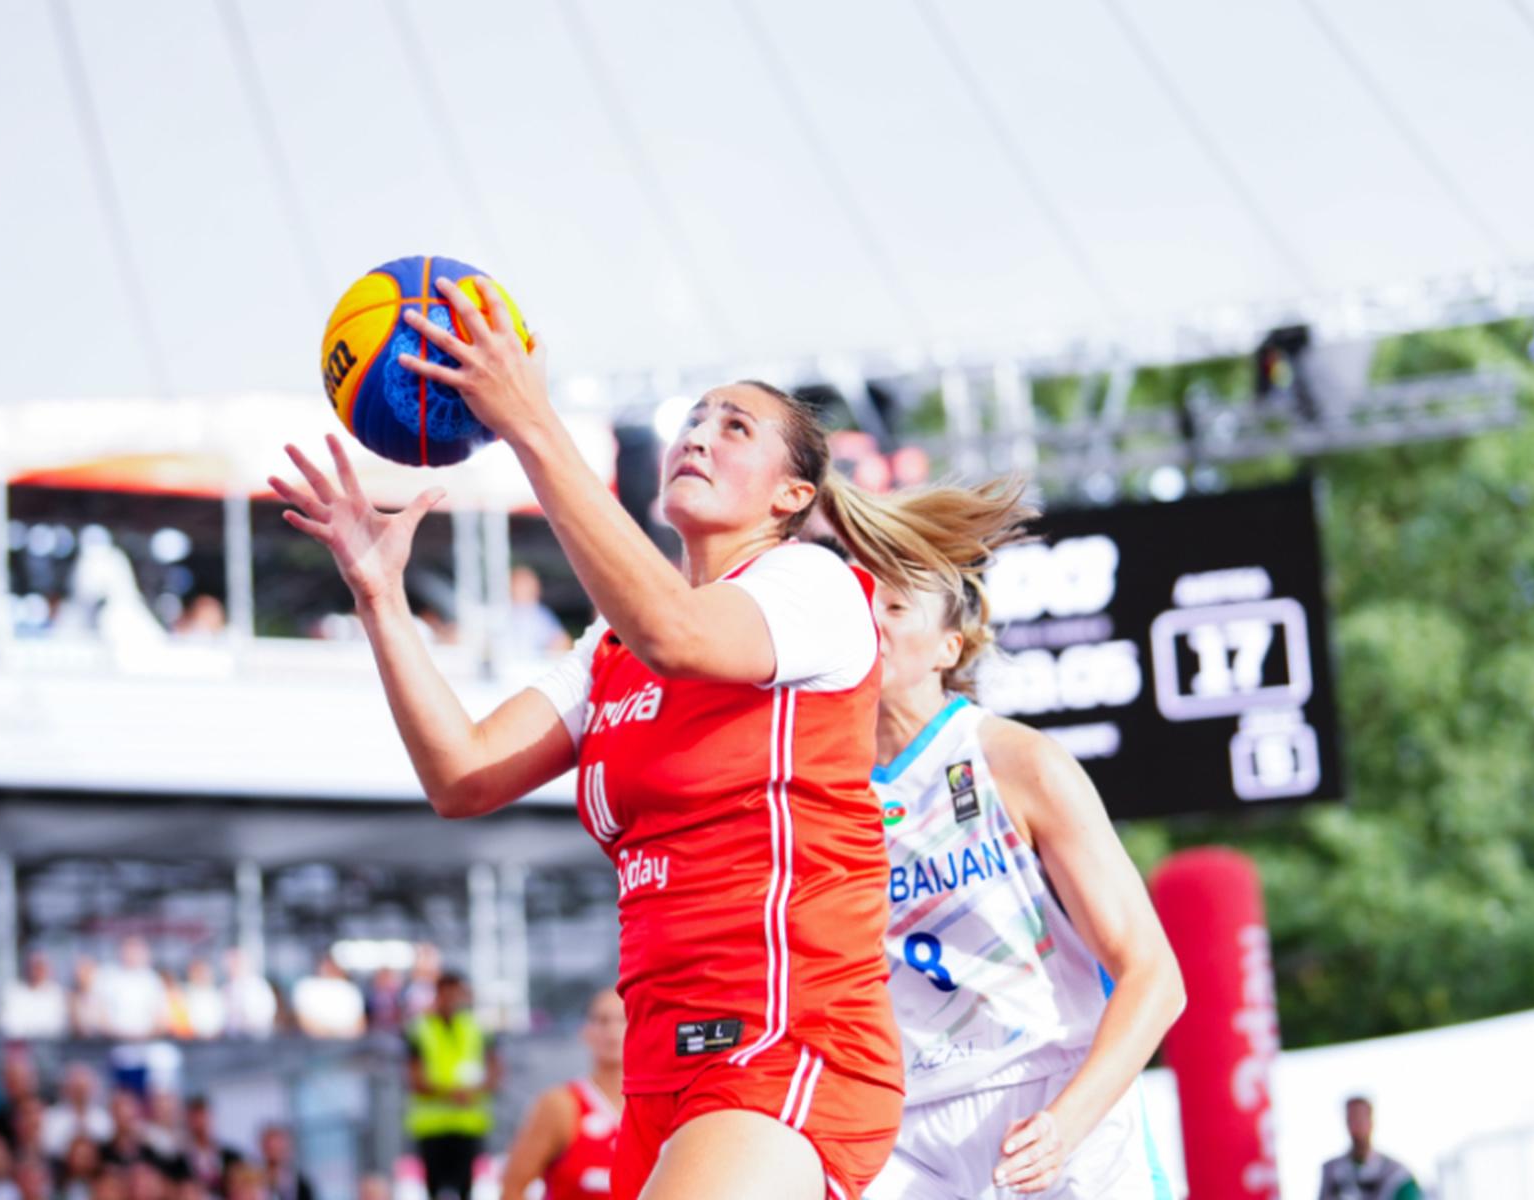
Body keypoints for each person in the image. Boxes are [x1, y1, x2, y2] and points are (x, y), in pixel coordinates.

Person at [270, 280, 1022, 1200]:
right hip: (662, 1073)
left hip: (790, 1040)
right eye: (693, 420)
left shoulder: (813, 587)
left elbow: (680, 633)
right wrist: (381, 597)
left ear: (792, 494)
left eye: (734, 427)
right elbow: (462, 774)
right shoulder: (611, 647)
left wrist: (529, 421)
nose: (698, 435)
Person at [863, 551, 1186, 1198]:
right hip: (904, 1130)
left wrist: (1066, 1125)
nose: (872, 622)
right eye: (860, 606)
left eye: (895, 608)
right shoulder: (814, 791)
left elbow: (1156, 977)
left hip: (1049, 1095)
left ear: (949, 647)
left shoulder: (1018, 761)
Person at [499, 986, 625, 1200]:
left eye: (624, 1020)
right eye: (602, 1021)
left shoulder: (660, 1108)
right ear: (585, 1031)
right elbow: (512, 1188)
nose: (613, 1031)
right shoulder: (560, 1105)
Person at [405, 971, 499, 1200]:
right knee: (435, 1187)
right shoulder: (420, 1028)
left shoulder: (477, 1027)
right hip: (432, 1125)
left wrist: (474, 1092)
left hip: (468, 1123)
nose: (452, 1000)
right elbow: (414, 1078)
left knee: (466, 1187)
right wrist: (451, 1094)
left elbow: (495, 1069)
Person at [1317, 1097, 1420, 1200]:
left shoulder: (1397, 1174)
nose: (1356, 1127)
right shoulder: (1331, 1170)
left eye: (1360, 1119)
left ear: (1371, 1121)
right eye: (1351, 1120)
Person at [94, 938, 166, 1041]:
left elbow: (160, 1017)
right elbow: (100, 1014)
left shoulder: (151, 978)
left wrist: (146, 1036)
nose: (132, 954)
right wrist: (118, 1035)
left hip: (147, 1041)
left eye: (136, 951)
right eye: (129, 950)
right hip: (113, 1041)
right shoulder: (108, 975)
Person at [43, 1064, 113, 1158]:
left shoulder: (103, 1116)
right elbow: (50, 1146)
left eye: (83, 1088)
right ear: (65, 1089)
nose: (80, 1093)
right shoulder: (52, 1116)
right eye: (76, 1088)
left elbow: (106, 1142)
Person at [291, 955, 365, 1039]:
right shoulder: (306, 986)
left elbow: (360, 1025)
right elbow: (304, 1022)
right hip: (314, 1042)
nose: (329, 968)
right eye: (326, 964)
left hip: (348, 1042)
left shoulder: (350, 989)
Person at [0, 951, 70, 1040]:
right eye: (33, 966)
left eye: (40, 967)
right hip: (20, 1045)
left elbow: (58, 1026)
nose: (36, 971)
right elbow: (9, 1025)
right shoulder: (13, 991)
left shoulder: (56, 993)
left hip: (50, 1044)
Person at [505, 564, 570, 658]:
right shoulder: (501, 612)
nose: (526, 589)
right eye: (521, 585)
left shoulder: (542, 614)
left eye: (528, 585)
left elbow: (562, 641)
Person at [180, 1096, 242, 1195]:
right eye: (195, 1118)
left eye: (203, 1117)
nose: (200, 1123)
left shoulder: (232, 1156)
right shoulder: (179, 1160)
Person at [258, 1124, 315, 1200]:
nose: (276, 1152)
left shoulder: (301, 1183)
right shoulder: (255, 1181)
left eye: (279, 1147)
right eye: (272, 1148)